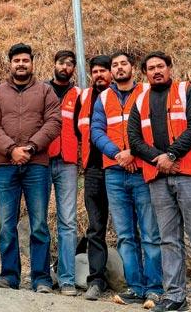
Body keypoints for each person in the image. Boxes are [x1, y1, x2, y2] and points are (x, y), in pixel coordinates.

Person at [127, 52, 191, 312]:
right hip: (158, 178)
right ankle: (175, 297)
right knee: (169, 240)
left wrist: (171, 154)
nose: (156, 71)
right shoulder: (140, 100)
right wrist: (160, 160)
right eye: (151, 68)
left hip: (189, 174)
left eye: (161, 66)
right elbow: (134, 140)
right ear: (144, 73)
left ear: (170, 68)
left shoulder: (186, 91)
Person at [0, 42, 60, 292]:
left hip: (37, 165)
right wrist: (11, 150)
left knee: (38, 223)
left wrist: (30, 148)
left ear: (32, 63)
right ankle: (9, 275)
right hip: (5, 165)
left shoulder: (45, 91)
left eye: (25, 60)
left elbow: (53, 122)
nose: (20, 64)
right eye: (16, 60)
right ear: (10, 63)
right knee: (7, 223)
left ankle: (41, 278)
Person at [91, 51, 163, 304]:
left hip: (142, 169)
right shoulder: (103, 97)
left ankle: (155, 288)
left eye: (124, 64)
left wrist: (134, 153)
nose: (119, 68)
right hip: (114, 172)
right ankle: (135, 287)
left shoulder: (146, 93)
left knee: (150, 233)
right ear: (111, 71)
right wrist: (117, 154)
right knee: (125, 235)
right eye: (115, 65)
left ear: (133, 68)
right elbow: (96, 131)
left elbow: (155, 126)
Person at [78, 55, 115, 301]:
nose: (99, 74)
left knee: (131, 228)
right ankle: (96, 280)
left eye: (104, 70)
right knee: (95, 227)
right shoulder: (83, 97)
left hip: (122, 168)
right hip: (93, 170)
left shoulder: (125, 95)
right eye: (96, 71)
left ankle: (140, 281)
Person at [47, 49, 82, 296]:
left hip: (68, 163)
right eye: (62, 62)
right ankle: (41, 275)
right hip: (42, 160)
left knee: (68, 222)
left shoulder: (79, 95)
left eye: (71, 64)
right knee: (39, 220)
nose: (66, 67)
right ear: (54, 64)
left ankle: (67, 278)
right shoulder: (41, 91)